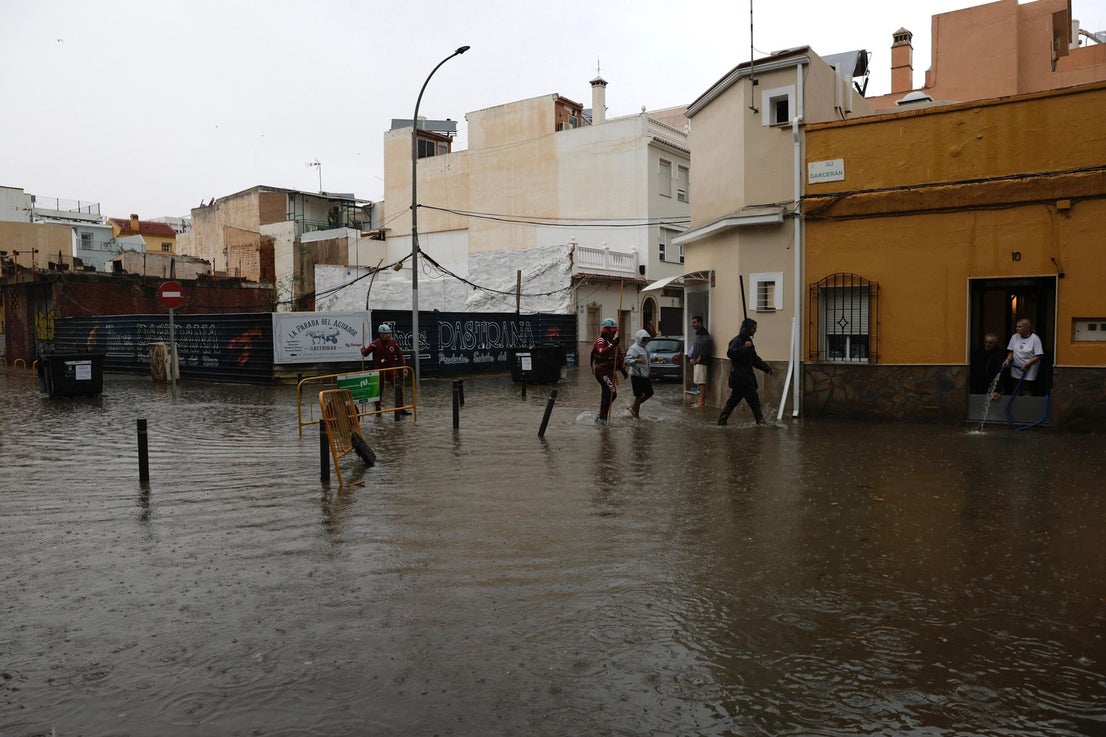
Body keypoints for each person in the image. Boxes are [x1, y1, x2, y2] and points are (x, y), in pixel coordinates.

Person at [717, 317, 773, 426]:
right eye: (754, 328)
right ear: (748, 328)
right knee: (735, 402)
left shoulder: (748, 341)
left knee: (752, 402)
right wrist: (744, 347)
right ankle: (722, 422)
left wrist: (766, 368)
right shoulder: (737, 341)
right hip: (739, 377)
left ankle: (759, 421)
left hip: (747, 378)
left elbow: (754, 359)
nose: (755, 330)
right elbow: (731, 353)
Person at [361, 323, 410, 418]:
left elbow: (400, 356)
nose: (388, 335)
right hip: (379, 371)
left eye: (389, 333)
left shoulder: (394, 343)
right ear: (381, 334)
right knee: (378, 391)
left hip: (392, 370)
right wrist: (362, 351)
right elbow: (366, 353)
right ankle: (378, 410)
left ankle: (401, 409)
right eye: (386, 333)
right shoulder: (375, 344)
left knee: (398, 388)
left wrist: (404, 367)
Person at [590, 317, 625, 424]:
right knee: (611, 392)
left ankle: (602, 415)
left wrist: (622, 369)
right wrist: (612, 345)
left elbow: (617, 357)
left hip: (610, 372)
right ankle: (602, 416)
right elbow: (601, 352)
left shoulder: (613, 342)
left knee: (611, 393)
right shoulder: (601, 341)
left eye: (615, 332)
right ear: (607, 330)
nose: (614, 334)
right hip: (601, 371)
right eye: (613, 331)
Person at [1003, 318, 1044, 396]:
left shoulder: (1035, 338)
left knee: (1026, 389)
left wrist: (1027, 364)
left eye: (1020, 327)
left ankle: (1028, 406)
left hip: (1029, 369)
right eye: (1017, 326)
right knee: (1016, 389)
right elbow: (1011, 352)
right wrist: (1008, 359)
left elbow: (1039, 356)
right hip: (1016, 368)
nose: (1017, 329)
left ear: (1027, 328)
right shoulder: (1014, 337)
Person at [624, 329, 654, 419]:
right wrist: (637, 360)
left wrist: (656, 359)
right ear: (639, 338)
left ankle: (633, 406)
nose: (645, 341)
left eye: (647, 339)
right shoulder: (634, 348)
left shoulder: (646, 348)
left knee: (649, 393)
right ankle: (635, 413)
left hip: (645, 375)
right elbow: (626, 361)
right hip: (637, 375)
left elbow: (647, 360)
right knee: (639, 395)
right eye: (644, 339)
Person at [970, 332, 1006, 397]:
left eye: (990, 343)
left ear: (995, 343)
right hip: (979, 384)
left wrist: (998, 389)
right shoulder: (978, 353)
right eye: (986, 342)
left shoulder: (999, 355)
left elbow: (1000, 372)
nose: (987, 344)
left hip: (991, 384)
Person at [687, 314, 712, 408]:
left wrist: (698, 359)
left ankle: (701, 402)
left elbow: (705, 347)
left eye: (694, 322)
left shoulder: (704, 334)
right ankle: (699, 401)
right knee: (698, 381)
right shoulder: (699, 334)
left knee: (701, 382)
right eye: (692, 322)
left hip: (701, 363)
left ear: (700, 323)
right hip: (697, 362)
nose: (692, 324)